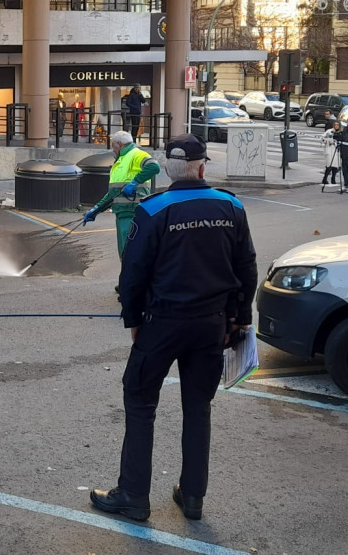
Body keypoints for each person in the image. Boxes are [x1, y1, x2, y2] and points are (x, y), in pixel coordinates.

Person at [89, 134, 258, 523]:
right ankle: (194, 496)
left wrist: (133, 319)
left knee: (140, 402)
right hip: (212, 324)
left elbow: (132, 273)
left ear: (168, 170)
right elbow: (245, 266)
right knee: (198, 408)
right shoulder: (231, 206)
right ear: (202, 168)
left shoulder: (154, 209)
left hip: (161, 323)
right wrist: (241, 317)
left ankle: (133, 495)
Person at [84, 131, 161, 262]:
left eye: (113, 146)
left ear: (119, 144)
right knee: (125, 252)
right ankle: (126, 281)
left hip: (133, 211)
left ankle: (133, 282)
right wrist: (96, 209)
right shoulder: (121, 160)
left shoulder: (136, 154)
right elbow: (114, 193)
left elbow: (154, 166)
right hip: (122, 212)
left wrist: (134, 182)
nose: (113, 150)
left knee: (131, 252)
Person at [321, 119, 341, 187]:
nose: (336, 126)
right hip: (329, 149)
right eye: (335, 125)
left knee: (335, 165)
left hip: (336, 150)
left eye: (337, 125)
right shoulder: (329, 131)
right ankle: (325, 178)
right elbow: (322, 138)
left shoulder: (341, 132)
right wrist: (327, 141)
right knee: (329, 165)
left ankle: (333, 178)